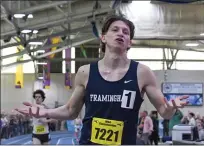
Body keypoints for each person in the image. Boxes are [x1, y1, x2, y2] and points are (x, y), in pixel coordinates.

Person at [15, 15, 188, 145]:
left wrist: (171, 109)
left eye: (125, 32)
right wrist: (46, 112)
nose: (120, 33)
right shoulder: (85, 72)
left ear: (129, 43)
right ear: (103, 37)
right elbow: (71, 111)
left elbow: (164, 112)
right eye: (115, 30)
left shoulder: (142, 73)